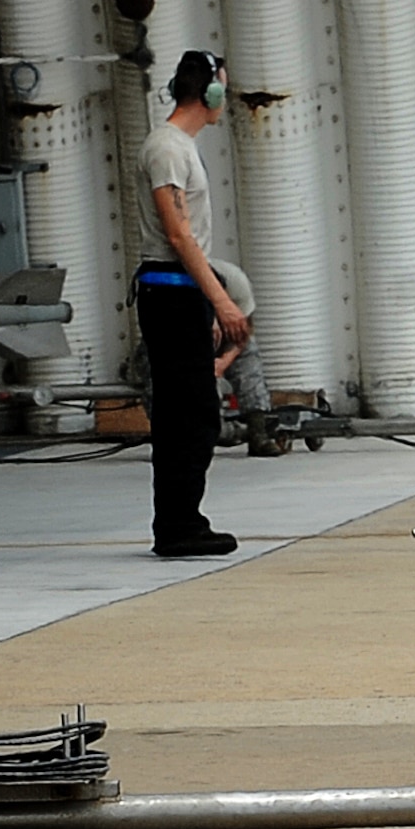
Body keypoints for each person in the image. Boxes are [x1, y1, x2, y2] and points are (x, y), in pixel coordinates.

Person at [135, 50, 245, 557]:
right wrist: (223, 302)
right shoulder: (167, 148)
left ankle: (183, 520)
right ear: (211, 92)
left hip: (183, 295)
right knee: (189, 413)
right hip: (171, 292)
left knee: (194, 410)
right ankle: (178, 525)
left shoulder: (179, 146)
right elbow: (179, 235)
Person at [205, 257, 279, 458]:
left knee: (248, 361)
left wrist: (223, 362)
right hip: (182, 344)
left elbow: (246, 329)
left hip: (227, 339)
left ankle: (258, 433)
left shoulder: (236, 281)